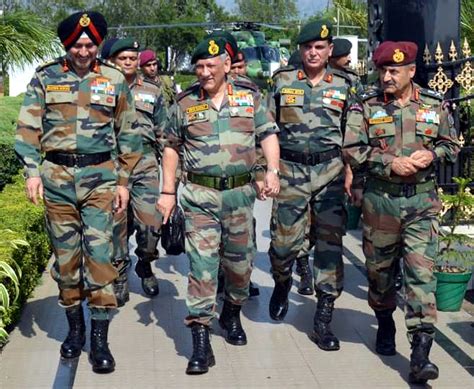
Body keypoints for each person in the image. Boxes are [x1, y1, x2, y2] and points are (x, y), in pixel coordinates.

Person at [14, 11, 142, 373]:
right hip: (56, 179)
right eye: (77, 45)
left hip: (100, 179)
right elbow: (27, 129)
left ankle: (100, 339)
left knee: (100, 257)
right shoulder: (46, 77)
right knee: (67, 261)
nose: (84, 50)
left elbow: (129, 135)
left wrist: (123, 182)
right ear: (66, 45)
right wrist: (31, 173)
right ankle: (75, 330)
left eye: (89, 44)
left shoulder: (114, 78)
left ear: (98, 43)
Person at [157, 36, 280, 375]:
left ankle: (232, 313)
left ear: (226, 65)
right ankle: (200, 339)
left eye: (211, 65)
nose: (205, 72)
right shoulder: (184, 104)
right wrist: (167, 193)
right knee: (202, 267)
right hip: (200, 198)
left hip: (240, 198)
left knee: (240, 268)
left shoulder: (249, 97)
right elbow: (171, 149)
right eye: (199, 66)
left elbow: (267, 134)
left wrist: (272, 170)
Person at [343, 41, 459, 384]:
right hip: (381, 203)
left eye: (395, 70)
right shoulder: (365, 106)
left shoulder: (434, 105)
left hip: (422, 203)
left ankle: (420, 353)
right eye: (383, 70)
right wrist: (389, 161)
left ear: (411, 71)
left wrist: (432, 155)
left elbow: (452, 144)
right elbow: (351, 149)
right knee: (380, 275)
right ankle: (384, 320)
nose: (387, 77)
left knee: (422, 278)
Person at [267, 21, 355, 352]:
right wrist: (267, 171)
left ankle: (323, 318)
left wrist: (351, 172)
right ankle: (281, 280)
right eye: (307, 47)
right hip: (290, 170)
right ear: (301, 49)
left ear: (330, 49)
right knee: (284, 243)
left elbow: (353, 134)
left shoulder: (346, 85)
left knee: (330, 245)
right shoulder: (282, 81)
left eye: (320, 47)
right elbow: (266, 129)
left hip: (330, 171)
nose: (313, 52)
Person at [109, 39, 167, 304]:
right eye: (123, 58)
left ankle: (145, 263)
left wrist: (173, 175)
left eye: (133, 58)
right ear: (112, 61)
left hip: (145, 163)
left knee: (150, 224)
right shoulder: (102, 88)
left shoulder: (153, 91)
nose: (129, 62)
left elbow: (164, 133)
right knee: (117, 224)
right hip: (112, 162)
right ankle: (120, 274)